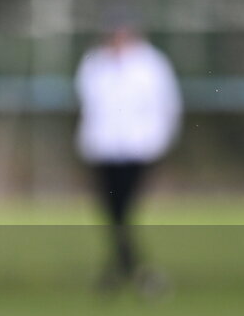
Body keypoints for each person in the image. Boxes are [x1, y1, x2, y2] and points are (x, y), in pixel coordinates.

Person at [74, 19, 182, 291]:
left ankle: (122, 273)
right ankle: (133, 272)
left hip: (139, 149)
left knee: (122, 210)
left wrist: (159, 141)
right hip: (104, 149)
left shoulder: (152, 64)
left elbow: (168, 105)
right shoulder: (94, 63)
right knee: (114, 212)